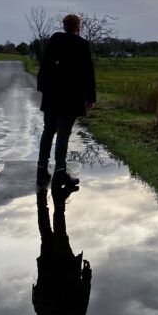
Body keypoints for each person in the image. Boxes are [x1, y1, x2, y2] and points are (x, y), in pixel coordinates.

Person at [36, 13, 96, 187]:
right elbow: (87, 73)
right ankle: (60, 173)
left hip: (52, 94)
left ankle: (41, 169)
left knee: (48, 130)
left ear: (64, 26)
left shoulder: (53, 41)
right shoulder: (81, 45)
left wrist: (43, 86)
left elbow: (44, 65)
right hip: (71, 96)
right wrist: (91, 97)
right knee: (63, 133)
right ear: (78, 27)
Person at [33, 184, 92, 315]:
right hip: (49, 271)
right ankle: (42, 199)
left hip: (65, 270)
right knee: (46, 234)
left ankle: (57, 201)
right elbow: (37, 304)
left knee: (60, 233)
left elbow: (83, 297)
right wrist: (38, 286)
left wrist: (86, 275)